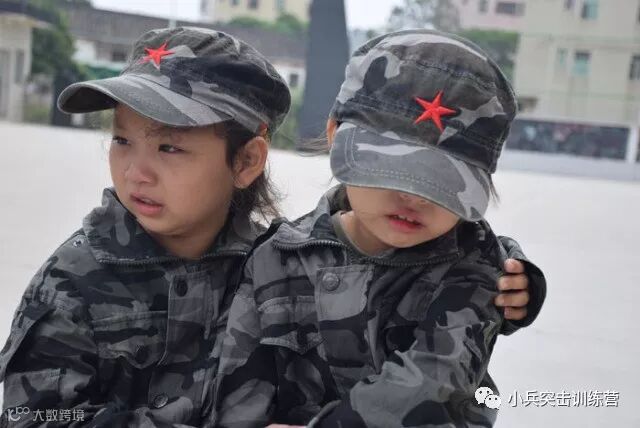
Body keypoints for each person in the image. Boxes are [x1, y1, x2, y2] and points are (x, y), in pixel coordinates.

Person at [215, 30, 547, 428]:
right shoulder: (278, 258)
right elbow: (238, 383)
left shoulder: (473, 265)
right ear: (336, 135)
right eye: (391, 171)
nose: (413, 198)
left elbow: (435, 383)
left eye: (439, 184)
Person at [0, 26, 290, 427]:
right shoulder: (73, 280)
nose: (136, 173)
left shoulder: (281, 274)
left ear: (246, 161)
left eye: (169, 147)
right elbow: (30, 417)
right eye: (122, 140)